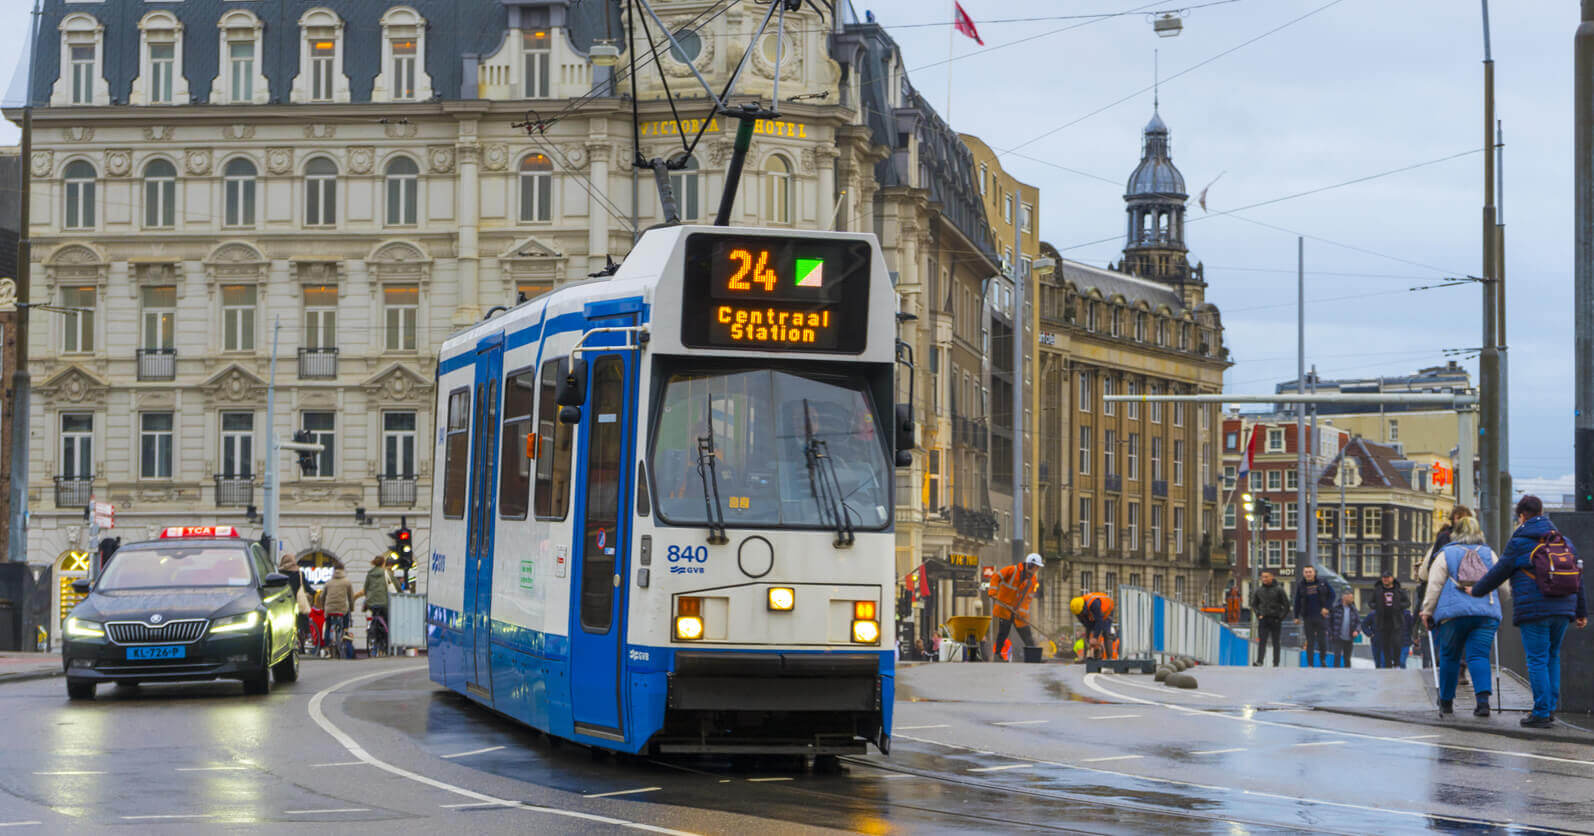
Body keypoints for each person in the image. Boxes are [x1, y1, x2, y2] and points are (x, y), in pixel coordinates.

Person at [1470, 495, 1589, 728]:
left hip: (1535, 611)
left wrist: (1476, 591)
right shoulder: (1565, 542)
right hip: (1563, 608)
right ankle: (1550, 708)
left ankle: (1541, 712)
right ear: (1541, 511)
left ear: (1522, 516)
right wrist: (1580, 611)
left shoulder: (1520, 542)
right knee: (1552, 657)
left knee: (1536, 659)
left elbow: (1498, 573)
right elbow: (1578, 579)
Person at [1420, 516, 1501, 717]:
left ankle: (1446, 702)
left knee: (1450, 656)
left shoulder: (1446, 554)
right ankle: (1483, 703)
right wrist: (1502, 600)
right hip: (1485, 613)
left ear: (1455, 533)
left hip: (1452, 615)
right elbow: (1503, 585)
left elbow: (1434, 585)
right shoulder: (1489, 554)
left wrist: (1427, 611)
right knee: (1479, 656)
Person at [1414, 506, 1474, 668]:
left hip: (1457, 590)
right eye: (1459, 518)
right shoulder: (1465, 539)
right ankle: (1454, 662)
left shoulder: (1446, 538)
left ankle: (1452, 663)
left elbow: (1433, 567)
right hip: (1457, 591)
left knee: (1451, 628)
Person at [987, 553, 1044, 661]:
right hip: (1005, 609)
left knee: (1027, 635)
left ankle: (1034, 658)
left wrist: (1023, 614)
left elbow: (1028, 599)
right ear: (1030, 565)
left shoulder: (1032, 581)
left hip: (1018, 613)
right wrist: (992, 591)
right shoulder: (1011, 570)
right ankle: (997, 655)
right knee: (1003, 633)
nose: (1036, 570)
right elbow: (995, 577)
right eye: (1036, 567)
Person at [1293, 565, 1333, 667]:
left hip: (1321, 616)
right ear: (1303, 573)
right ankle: (1310, 664)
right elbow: (1297, 601)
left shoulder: (1322, 582)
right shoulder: (1301, 585)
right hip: (1308, 617)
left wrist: (1326, 608)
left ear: (1314, 573)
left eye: (1310, 572)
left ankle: (1323, 660)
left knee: (1322, 641)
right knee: (1309, 641)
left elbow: (1332, 595)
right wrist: (1296, 616)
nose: (1308, 574)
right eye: (1306, 572)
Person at [1369, 571, 1410, 668]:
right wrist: (1377, 607)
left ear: (1392, 578)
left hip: (1396, 621)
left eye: (1387, 577)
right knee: (1385, 644)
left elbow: (1408, 603)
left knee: (1397, 642)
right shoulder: (1377, 591)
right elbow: (1370, 603)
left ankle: (1396, 663)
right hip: (1382, 621)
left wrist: (1399, 606)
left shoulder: (1399, 591)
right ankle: (1388, 664)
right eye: (1383, 578)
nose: (1385, 579)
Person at [1250, 571, 1290, 667]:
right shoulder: (1258, 590)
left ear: (1272, 577)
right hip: (1263, 619)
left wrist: (1280, 617)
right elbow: (1254, 604)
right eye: (1263, 577)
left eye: (1266, 577)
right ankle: (1260, 661)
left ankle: (1276, 663)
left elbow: (1287, 605)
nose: (1264, 579)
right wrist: (1258, 614)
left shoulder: (1279, 590)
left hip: (1275, 619)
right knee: (1262, 641)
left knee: (1276, 641)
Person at [359, 554, 393, 656]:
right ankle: (386, 641)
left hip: (371, 602)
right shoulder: (385, 573)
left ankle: (373, 635)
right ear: (383, 563)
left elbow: (366, 589)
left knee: (374, 615)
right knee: (388, 620)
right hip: (383, 603)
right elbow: (392, 586)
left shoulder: (369, 574)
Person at [277, 552, 310, 653]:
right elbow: (307, 587)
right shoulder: (299, 573)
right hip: (297, 603)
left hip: (284, 603)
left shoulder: (279, 574)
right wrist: (313, 593)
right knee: (302, 619)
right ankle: (303, 640)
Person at [320, 566, 356, 658]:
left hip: (329, 609)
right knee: (346, 615)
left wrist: (324, 607)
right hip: (342, 609)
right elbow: (351, 598)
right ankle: (345, 631)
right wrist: (351, 608)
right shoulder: (347, 582)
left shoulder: (328, 582)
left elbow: (322, 596)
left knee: (328, 627)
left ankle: (327, 647)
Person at [1072, 590, 1117, 659]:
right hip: (1096, 613)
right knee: (1089, 633)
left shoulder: (1094, 604)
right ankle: (1093, 655)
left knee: (1106, 633)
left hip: (1107, 610)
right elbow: (1087, 624)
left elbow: (1099, 621)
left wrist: (1095, 637)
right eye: (1079, 614)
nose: (1080, 615)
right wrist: (1090, 635)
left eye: (1081, 613)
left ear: (1084, 607)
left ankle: (1109, 658)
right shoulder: (1077, 609)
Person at [1329, 592, 1360, 668]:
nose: (1352, 599)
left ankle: (1348, 674)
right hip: (1337, 636)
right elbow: (1329, 621)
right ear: (1344, 597)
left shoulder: (1354, 609)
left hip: (1349, 638)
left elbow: (1358, 622)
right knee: (1337, 656)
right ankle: (1336, 672)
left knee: (1347, 658)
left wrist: (1357, 630)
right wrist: (1330, 633)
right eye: (1350, 597)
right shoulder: (1335, 608)